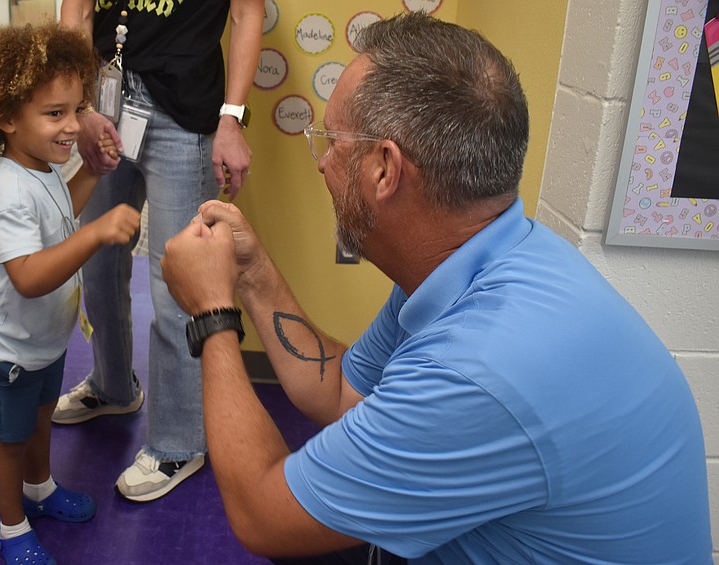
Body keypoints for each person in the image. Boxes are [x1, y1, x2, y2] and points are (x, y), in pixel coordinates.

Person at [160, 12, 713, 564]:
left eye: (330, 142)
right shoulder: (492, 255)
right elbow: (339, 395)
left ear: (384, 169)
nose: (323, 163)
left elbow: (263, 517)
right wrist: (253, 274)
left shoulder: (475, 368)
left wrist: (213, 314)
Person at [52, 0, 264, 502]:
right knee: (97, 263)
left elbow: (246, 13)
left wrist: (231, 119)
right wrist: (79, 107)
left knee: (177, 285)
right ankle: (113, 386)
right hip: (107, 100)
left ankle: (178, 441)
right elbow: (76, 12)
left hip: (183, 110)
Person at [0, 23, 141, 565]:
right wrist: (96, 235)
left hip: (44, 343)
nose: (73, 126)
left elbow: (61, 212)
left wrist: (92, 172)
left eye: (77, 109)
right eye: (55, 114)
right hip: (7, 349)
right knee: (10, 442)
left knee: (39, 424)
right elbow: (30, 275)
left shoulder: (42, 167)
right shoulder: (8, 189)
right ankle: (11, 528)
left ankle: (40, 489)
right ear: (7, 118)